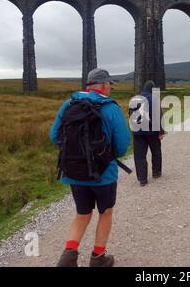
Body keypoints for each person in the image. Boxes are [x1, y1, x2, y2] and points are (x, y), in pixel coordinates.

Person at [50, 68, 130, 267]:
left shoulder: (69, 103)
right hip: (104, 175)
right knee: (105, 212)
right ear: (103, 85)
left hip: (74, 173)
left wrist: (78, 154)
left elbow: (54, 136)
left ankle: (68, 257)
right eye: (109, 84)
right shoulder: (111, 108)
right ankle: (98, 258)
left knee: (82, 213)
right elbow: (122, 146)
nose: (110, 87)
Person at [129, 80, 165, 186]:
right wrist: (161, 131)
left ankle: (142, 179)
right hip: (152, 131)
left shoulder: (134, 98)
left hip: (138, 132)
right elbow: (159, 116)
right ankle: (156, 172)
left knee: (139, 155)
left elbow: (130, 115)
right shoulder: (154, 99)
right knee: (156, 151)